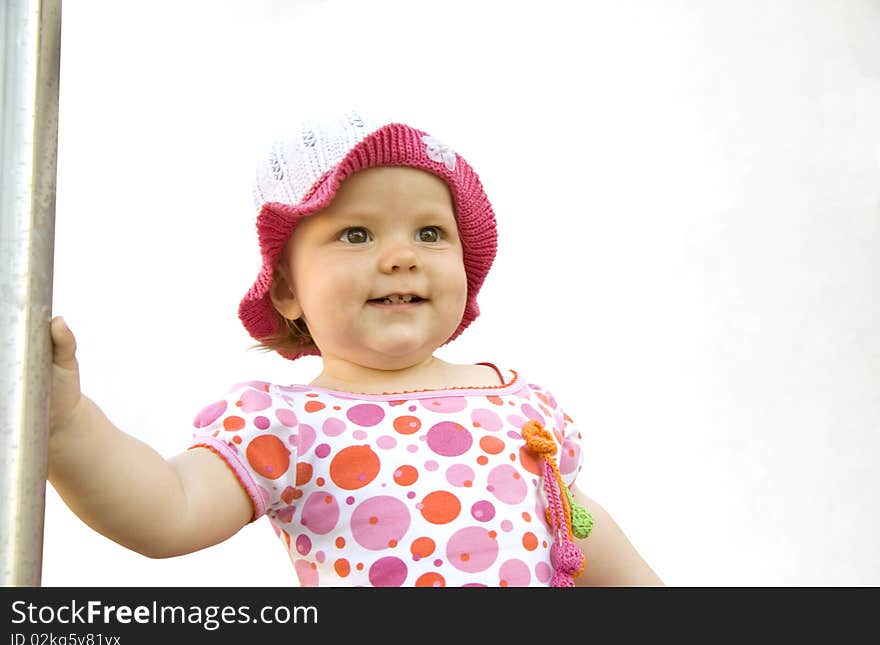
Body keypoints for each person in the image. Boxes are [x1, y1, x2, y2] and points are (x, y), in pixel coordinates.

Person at [48, 110, 663, 587]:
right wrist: (66, 427)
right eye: (356, 233)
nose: (401, 256)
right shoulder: (285, 425)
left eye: (430, 232)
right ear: (288, 290)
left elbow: (583, 539)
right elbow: (168, 510)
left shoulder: (520, 405)